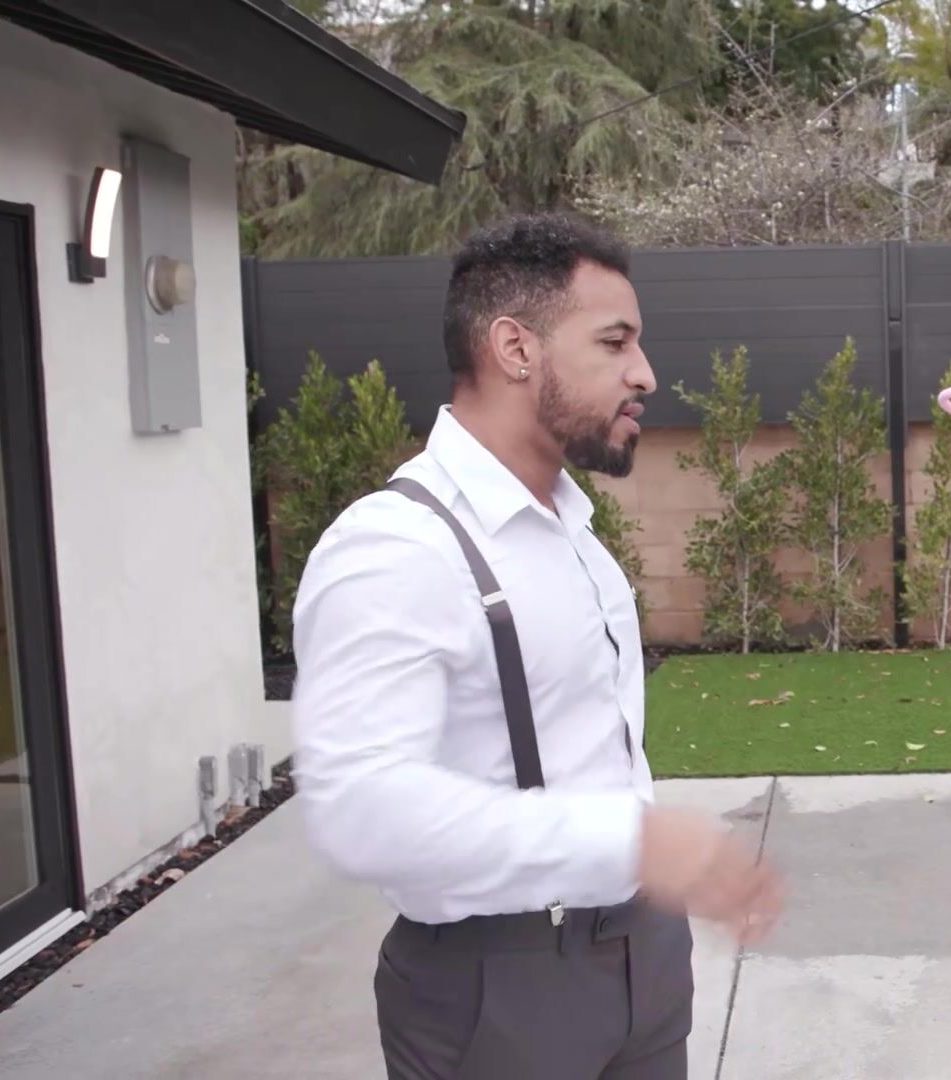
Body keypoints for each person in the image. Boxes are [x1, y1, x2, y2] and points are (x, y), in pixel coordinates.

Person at [290, 212, 784, 1080]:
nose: (645, 373)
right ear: (515, 349)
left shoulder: (575, 533)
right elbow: (359, 804)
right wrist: (627, 842)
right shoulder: (396, 547)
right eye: (615, 342)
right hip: (497, 993)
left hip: (645, 958)